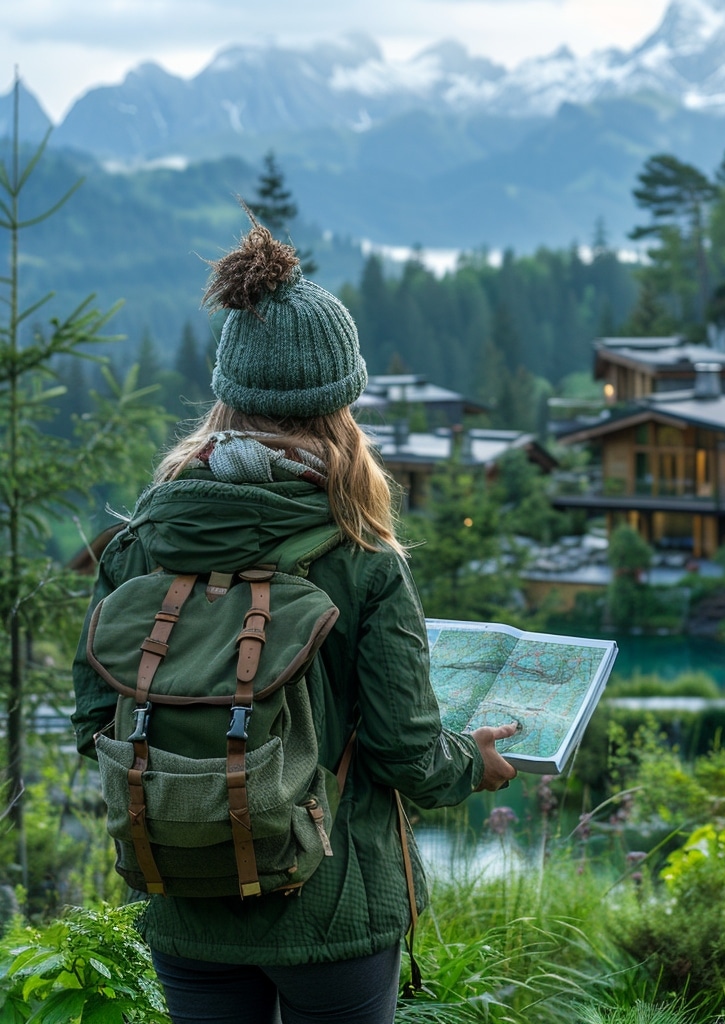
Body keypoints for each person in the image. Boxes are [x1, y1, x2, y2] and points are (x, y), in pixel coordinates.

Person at [70, 215, 518, 1024]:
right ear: (341, 404)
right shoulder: (365, 559)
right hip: (334, 908)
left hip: (184, 905)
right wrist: (473, 765)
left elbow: (94, 722)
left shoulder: (139, 546)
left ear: (226, 395)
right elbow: (407, 752)